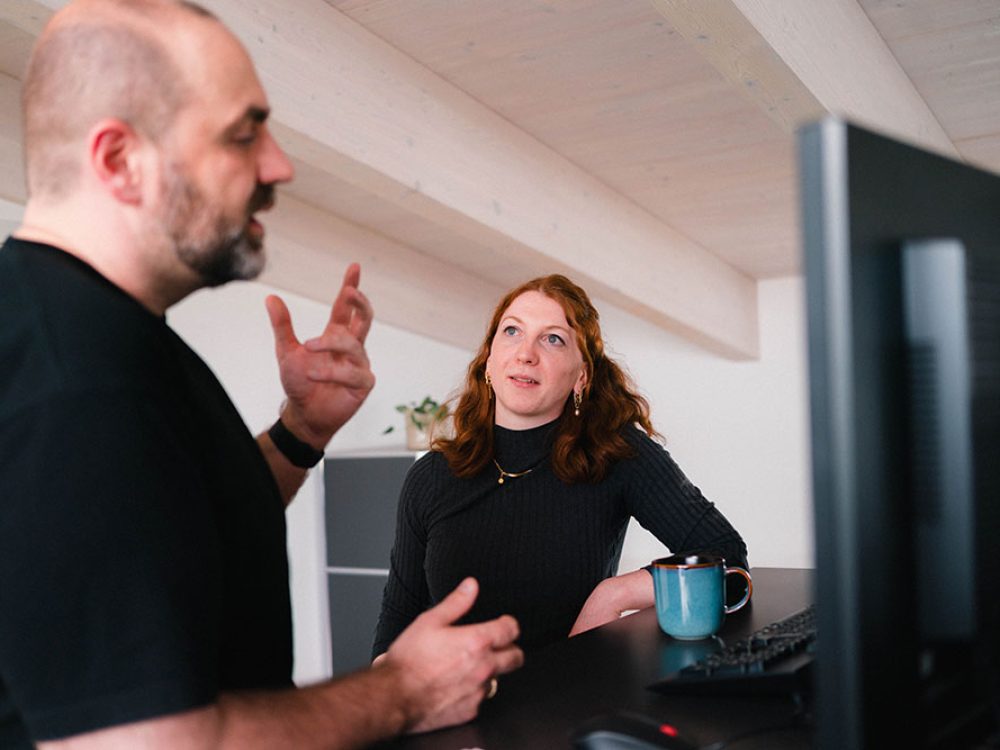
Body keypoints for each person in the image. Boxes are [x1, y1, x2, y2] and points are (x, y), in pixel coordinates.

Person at [0, 1, 522, 748]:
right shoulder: (75, 382)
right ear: (119, 161)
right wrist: (404, 691)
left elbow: (164, 525)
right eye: (244, 135)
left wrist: (299, 432)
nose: (280, 165)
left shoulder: (83, 332)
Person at [373, 274, 749, 656]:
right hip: (458, 693)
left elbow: (727, 556)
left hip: (572, 691)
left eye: (553, 339)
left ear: (580, 376)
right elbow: (397, 623)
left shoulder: (617, 454)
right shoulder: (430, 476)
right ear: (488, 360)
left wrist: (614, 594)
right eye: (512, 331)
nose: (526, 353)